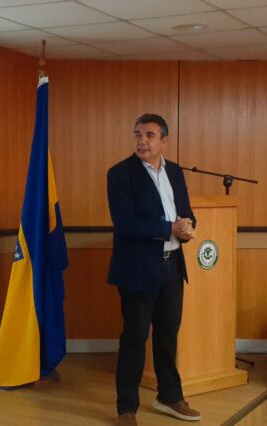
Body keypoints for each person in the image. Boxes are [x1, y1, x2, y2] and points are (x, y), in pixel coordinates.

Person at [107, 114, 200, 426]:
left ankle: (169, 396)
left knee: (167, 336)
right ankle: (126, 410)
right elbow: (125, 224)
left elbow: (185, 212)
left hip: (172, 266)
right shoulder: (120, 174)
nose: (141, 141)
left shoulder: (173, 171)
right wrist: (170, 228)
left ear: (164, 141)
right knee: (134, 338)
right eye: (137, 135)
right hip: (137, 269)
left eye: (149, 135)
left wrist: (188, 227)